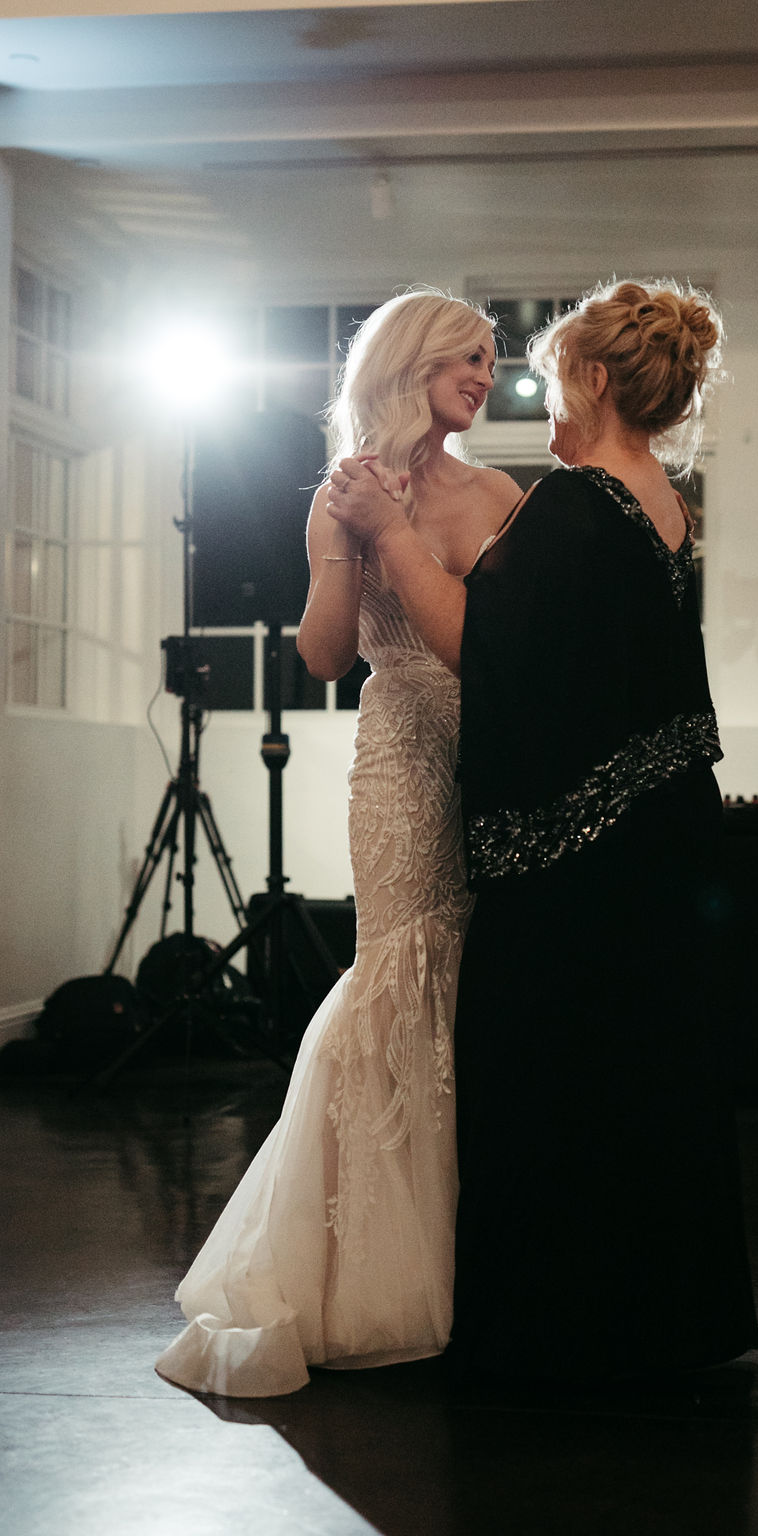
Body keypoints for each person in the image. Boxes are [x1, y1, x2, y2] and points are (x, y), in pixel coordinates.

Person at [330, 279, 758, 1382]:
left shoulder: (575, 503)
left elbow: (485, 650)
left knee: (550, 1076)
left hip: (586, 859)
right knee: (648, 1079)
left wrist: (386, 530)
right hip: (662, 837)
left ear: (597, 379)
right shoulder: (661, 502)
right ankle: (664, 1319)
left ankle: (560, 1325)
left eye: (554, 377)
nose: (537, 397)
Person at [154, 290, 521, 1397]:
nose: (486, 376)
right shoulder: (342, 494)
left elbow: (506, 646)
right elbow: (322, 657)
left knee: (483, 983)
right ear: (411, 364)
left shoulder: (502, 495)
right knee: (399, 971)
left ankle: (486, 1251)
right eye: (467, 358)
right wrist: (352, 545)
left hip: (496, 754)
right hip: (400, 757)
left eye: (490, 360)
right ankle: (373, 1270)